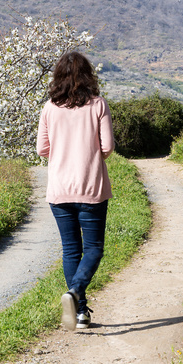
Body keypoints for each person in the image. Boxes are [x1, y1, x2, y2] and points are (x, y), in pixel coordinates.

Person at [36, 50, 114, 331]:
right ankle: (76, 292)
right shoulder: (98, 105)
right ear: (87, 75)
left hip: (59, 190)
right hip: (91, 187)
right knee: (94, 249)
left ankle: (81, 313)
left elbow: (42, 149)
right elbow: (107, 147)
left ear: (58, 77)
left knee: (71, 250)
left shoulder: (49, 108)